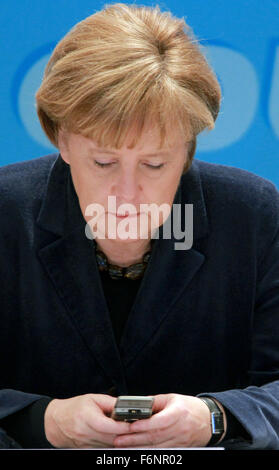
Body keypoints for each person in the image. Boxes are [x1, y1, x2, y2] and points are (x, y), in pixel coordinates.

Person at [0, 3, 278, 450]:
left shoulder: (257, 215)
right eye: (104, 161)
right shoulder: (4, 212)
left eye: (154, 163)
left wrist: (215, 418)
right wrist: (41, 420)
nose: (126, 193)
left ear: (187, 150)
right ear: (62, 138)